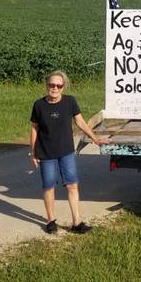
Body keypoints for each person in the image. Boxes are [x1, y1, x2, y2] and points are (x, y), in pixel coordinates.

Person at [30, 70, 107, 234]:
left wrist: (95, 138)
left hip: (66, 152)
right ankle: (50, 221)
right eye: (51, 85)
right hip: (46, 153)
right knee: (49, 186)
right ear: (47, 85)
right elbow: (34, 129)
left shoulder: (70, 102)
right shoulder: (39, 105)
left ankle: (77, 222)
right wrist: (33, 152)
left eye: (58, 85)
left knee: (72, 185)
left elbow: (80, 122)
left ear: (63, 87)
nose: (55, 88)